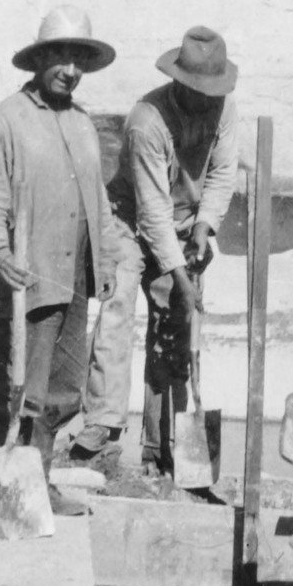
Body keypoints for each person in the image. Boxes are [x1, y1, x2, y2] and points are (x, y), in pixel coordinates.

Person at [0, 5, 117, 515]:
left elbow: (97, 198)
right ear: (39, 59)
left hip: (72, 278)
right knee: (18, 386)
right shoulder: (5, 122)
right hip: (22, 279)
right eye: (61, 58)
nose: (70, 71)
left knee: (60, 389)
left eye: (79, 61)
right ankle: (10, 492)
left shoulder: (82, 124)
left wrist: (110, 260)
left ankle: (41, 483)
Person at [71, 26, 240, 473]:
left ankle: (162, 446)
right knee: (117, 307)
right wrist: (181, 276)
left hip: (184, 224)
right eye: (199, 91)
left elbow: (223, 175)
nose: (208, 99)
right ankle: (102, 430)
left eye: (213, 91)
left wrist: (205, 227)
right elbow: (151, 211)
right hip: (129, 219)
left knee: (176, 327)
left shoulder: (224, 110)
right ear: (179, 82)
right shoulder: (147, 121)